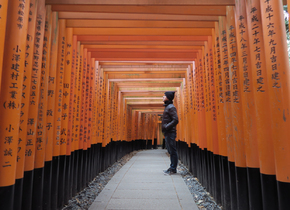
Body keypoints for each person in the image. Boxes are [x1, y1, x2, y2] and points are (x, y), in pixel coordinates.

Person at [162, 91, 179, 174]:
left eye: (164, 95)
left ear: (168, 97)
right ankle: (172, 167)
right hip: (168, 132)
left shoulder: (171, 107)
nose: (163, 96)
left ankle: (173, 168)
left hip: (170, 132)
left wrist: (166, 126)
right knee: (170, 150)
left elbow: (176, 120)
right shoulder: (168, 106)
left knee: (172, 151)